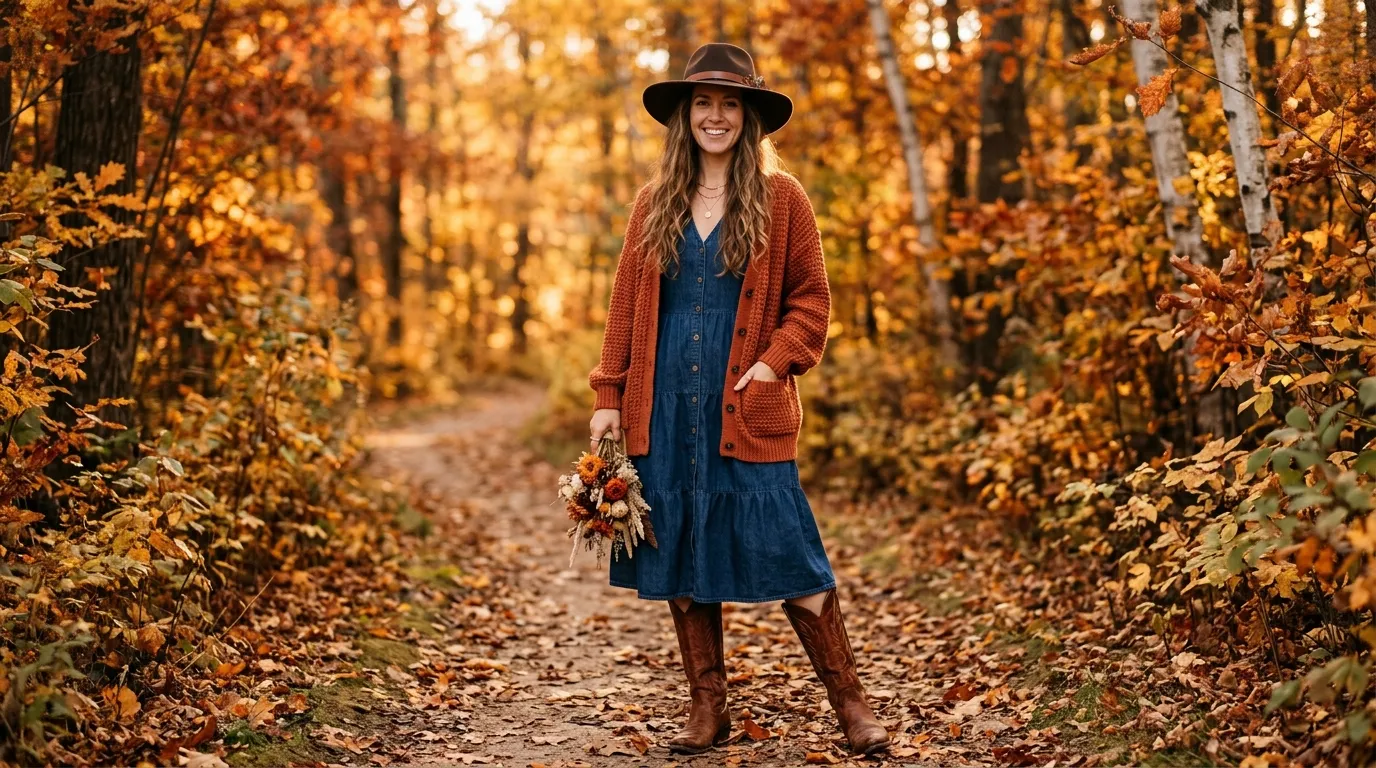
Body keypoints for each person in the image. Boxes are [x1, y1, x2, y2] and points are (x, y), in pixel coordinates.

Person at [586, 42, 889, 757]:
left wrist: (770, 364)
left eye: (729, 104)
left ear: (748, 117)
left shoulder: (784, 200)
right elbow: (626, 307)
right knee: (685, 558)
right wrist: (609, 392)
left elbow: (812, 303)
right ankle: (707, 708)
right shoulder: (653, 203)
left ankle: (851, 705)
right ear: (684, 117)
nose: (715, 116)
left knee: (794, 558)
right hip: (664, 407)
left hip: (745, 407)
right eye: (702, 103)